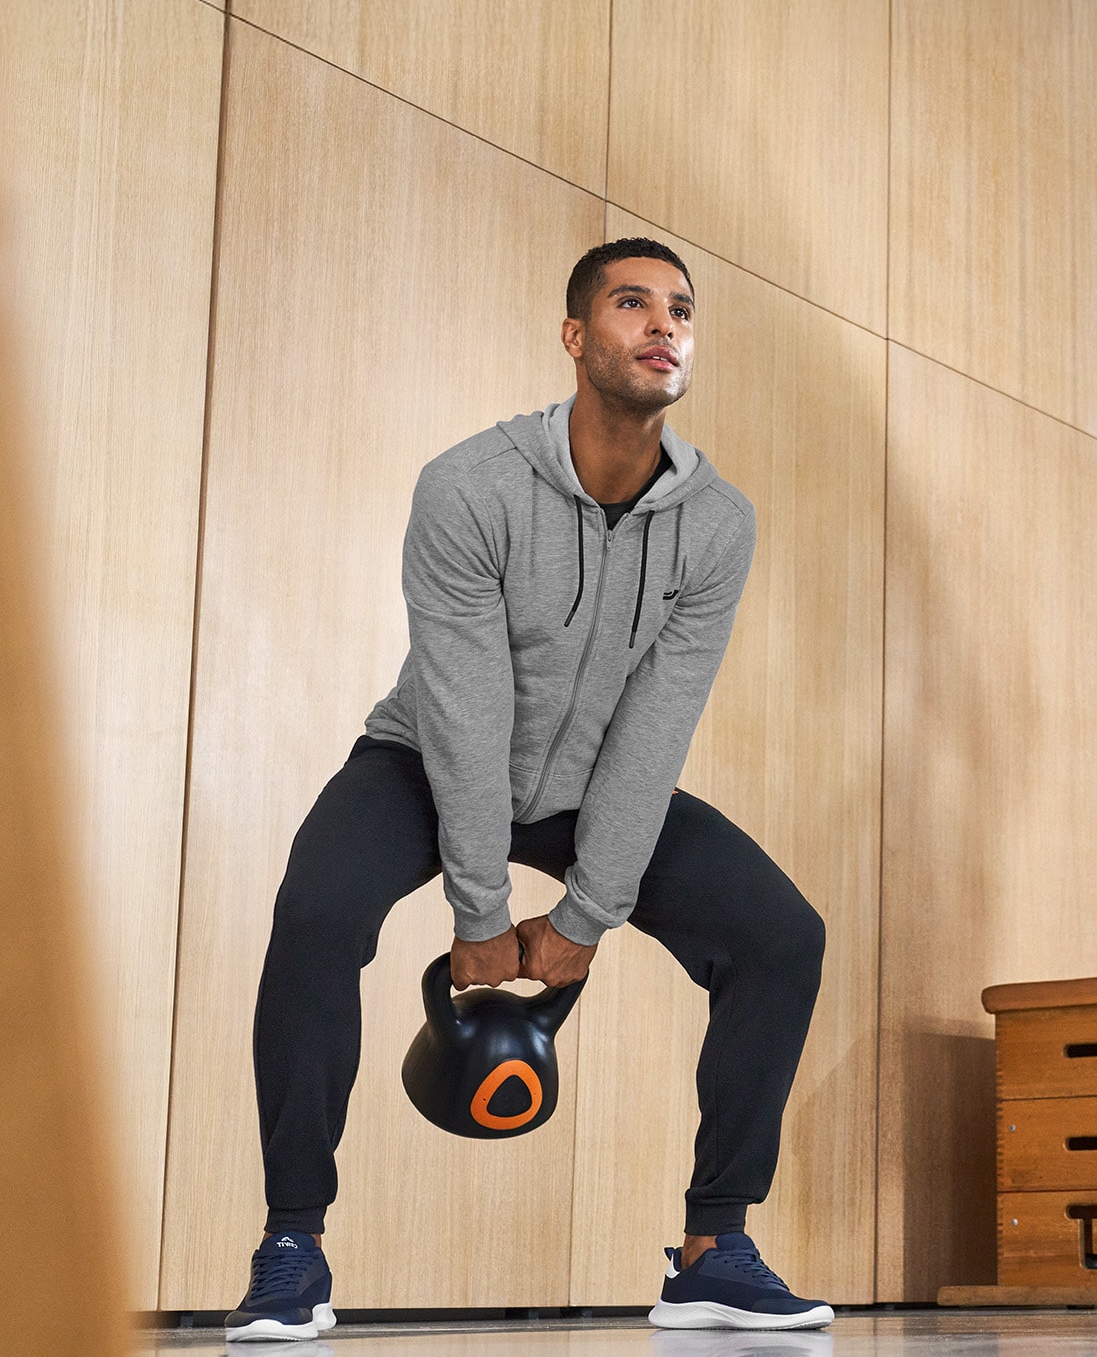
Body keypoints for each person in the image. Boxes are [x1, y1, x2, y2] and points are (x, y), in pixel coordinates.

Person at [223, 238, 832, 1340]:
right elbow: (465, 709)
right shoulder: (471, 486)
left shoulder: (718, 524)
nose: (663, 324)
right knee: (317, 912)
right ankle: (291, 1243)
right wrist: (483, 916)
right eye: (632, 303)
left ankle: (712, 1249)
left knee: (782, 937)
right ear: (574, 336)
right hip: (426, 761)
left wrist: (588, 915)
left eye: (680, 310)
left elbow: (658, 727)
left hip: (592, 783)